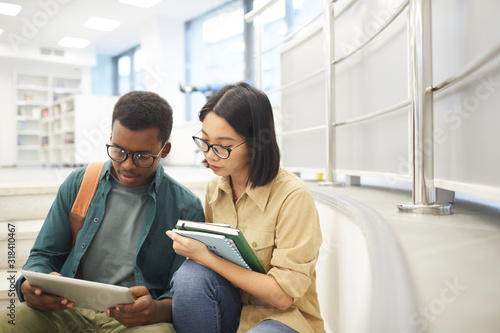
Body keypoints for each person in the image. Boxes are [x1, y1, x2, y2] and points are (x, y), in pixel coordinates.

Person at [1, 91, 204, 332]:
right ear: (110, 137)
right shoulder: (80, 183)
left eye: (142, 156)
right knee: (9, 321)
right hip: (69, 311)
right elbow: (44, 255)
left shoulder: (185, 207)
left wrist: (156, 310)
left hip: (133, 323)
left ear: (165, 149)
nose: (127, 165)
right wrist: (28, 286)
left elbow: (182, 292)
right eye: (118, 150)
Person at [167, 82, 324, 333]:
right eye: (205, 142)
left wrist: (206, 257)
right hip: (232, 310)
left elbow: (282, 296)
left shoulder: (293, 196)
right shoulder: (214, 190)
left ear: (255, 143)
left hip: (283, 319)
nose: (210, 155)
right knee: (189, 277)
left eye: (223, 146)